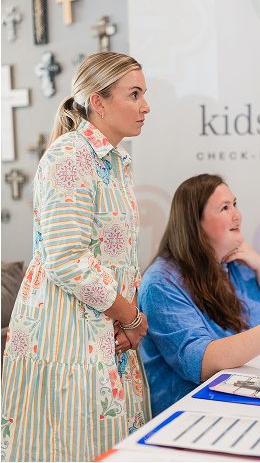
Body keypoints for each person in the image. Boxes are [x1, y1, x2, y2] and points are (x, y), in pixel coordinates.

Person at [1, 53, 151, 462]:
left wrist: (125, 320)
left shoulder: (116, 163)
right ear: (98, 102)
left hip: (104, 337)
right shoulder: (70, 156)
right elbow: (67, 259)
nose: (145, 106)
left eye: (144, 94)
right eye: (133, 94)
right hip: (67, 340)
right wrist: (132, 318)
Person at [137, 174, 260, 417]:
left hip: (247, 393)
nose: (236, 214)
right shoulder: (161, 283)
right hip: (195, 413)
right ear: (195, 224)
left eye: (235, 204)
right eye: (224, 208)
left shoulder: (234, 262)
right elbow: (201, 363)